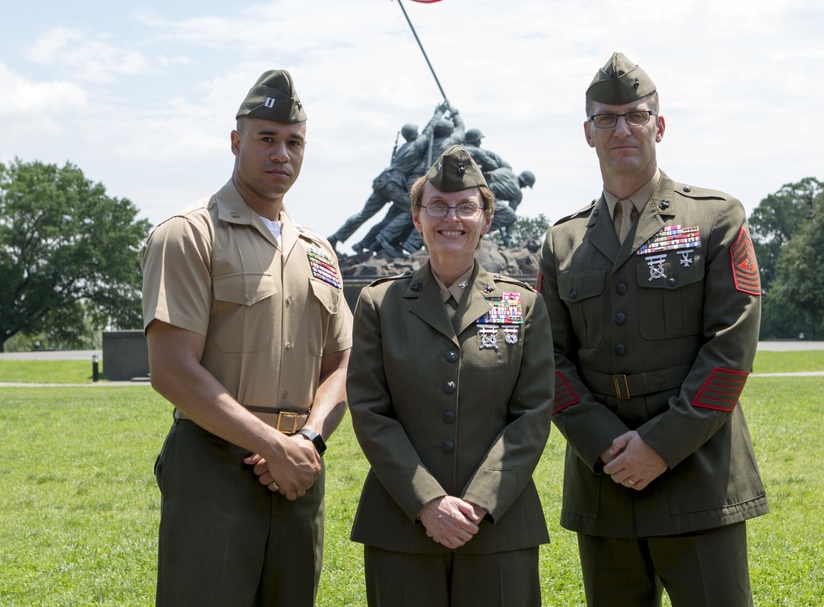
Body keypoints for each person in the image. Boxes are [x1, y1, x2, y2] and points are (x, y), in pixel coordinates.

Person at [537, 52, 768, 606]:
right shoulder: (561, 242)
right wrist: (606, 446)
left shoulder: (714, 219)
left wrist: (661, 446)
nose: (622, 128)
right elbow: (549, 360)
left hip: (698, 475)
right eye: (606, 118)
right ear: (587, 133)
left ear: (658, 125)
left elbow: (730, 350)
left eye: (635, 115)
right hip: (604, 483)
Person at [141, 69, 353, 606]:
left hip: (299, 471)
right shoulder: (189, 234)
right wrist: (270, 445)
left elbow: (344, 364)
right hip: (214, 463)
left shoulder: (318, 252)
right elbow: (171, 370)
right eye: (266, 139)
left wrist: (306, 441)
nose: (282, 153)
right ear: (236, 142)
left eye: (294, 142)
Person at [346, 145, 555, 606]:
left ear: (487, 219)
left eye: (466, 207)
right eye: (437, 206)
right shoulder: (380, 305)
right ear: (417, 218)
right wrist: (426, 501)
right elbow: (369, 411)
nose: (451, 218)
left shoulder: (522, 306)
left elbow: (533, 414)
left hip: (499, 526)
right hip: (401, 525)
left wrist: (479, 501)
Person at [332, 103, 449, 250]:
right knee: (413, 209)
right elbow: (429, 129)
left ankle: (335, 237)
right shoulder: (417, 144)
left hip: (383, 180)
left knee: (363, 215)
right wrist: (439, 112)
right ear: (415, 134)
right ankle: (384, 238)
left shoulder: (403, 147)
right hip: (393, 183)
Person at [487, 167, 536, 247]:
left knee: (502, 210)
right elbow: (510, 217)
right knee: (511, 215)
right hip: (488, 195)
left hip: (482, 189)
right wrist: (508, 236)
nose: (525, 187)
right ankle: (481, 231)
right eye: (526, 185)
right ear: (524, 183)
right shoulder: (518, 193)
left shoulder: (508, 171)